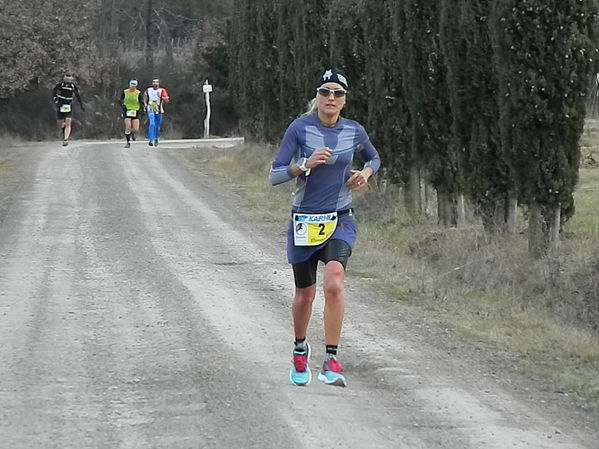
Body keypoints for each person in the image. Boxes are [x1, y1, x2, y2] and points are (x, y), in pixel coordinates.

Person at [269, 68, 381, 387]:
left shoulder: (354, 131)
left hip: (340, 218)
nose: (331, 98)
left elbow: (374, 159)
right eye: (325, 92)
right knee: (305, 295)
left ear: (345, 101)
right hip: (304, 221)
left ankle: (331, 359)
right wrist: (304, 164)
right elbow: (275, 175)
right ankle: (300, 349)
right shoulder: (300, 128)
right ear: (316, 98)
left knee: (333, 284)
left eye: (338, 93)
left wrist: (366, 174)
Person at [52, 73, 84, 146]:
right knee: (60, 123)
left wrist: (81, 105)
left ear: (72, 78)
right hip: (60, 105)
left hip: (68, 105)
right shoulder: (60, 85)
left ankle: (65, 139)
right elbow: (54, 92)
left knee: (68, 122)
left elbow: (77, 95)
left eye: (70, 77)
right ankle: (63, 128)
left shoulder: (73, 86)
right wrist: (56, 101)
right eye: (67, 77)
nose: (68, 79)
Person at [143, 78, 170, 147]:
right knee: (152, 123)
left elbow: (167, 100)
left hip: (159, 109)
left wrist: (160, 96)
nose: (155, 83)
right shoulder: (149, 89)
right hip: (151, 107)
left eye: (156, 82)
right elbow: (145, 96)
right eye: (154, 82)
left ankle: (156, 138)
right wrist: (145, 103)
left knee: (157, 126)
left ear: (159, 83)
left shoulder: (162, 90)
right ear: (152, 83)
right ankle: (151, 139)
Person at [120, 79, 145, 148]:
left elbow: (141, 102)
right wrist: (123, 106)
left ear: (136, 85)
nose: (133, 86)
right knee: (128, 126)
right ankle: (128, 142)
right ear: (129, 84)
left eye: (134, 84)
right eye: (132, 84)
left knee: (136, 129)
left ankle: (132, 133)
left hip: (135, 111)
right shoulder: (125, 92)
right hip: (127, 110)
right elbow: (120, 100)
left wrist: (143, 110)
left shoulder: (138, 93)